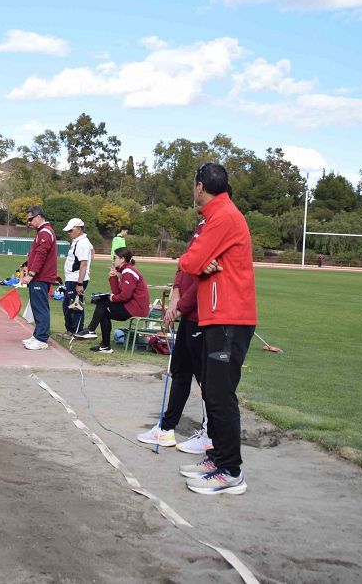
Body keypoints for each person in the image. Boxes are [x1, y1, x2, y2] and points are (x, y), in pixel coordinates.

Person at [176, 163, 256, 496]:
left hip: (229, 319)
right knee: (212, 391)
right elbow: (197, 261)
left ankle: (230, 471)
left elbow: (190, 262)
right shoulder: (219, 215)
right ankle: (218, 457)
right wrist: (199, 261)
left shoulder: (222, 215)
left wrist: (196, 261)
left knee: (221, 396)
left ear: (199, 186)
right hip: (217, 317)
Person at [137, 224, 211, 453]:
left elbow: (203, 279)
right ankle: (166, 428)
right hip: (188, 314)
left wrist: (181, 307)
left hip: (202, 316)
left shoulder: (218, 226)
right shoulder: (200, 227)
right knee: (180, 371)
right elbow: (184, 266)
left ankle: (210, 433)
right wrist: (174, 298)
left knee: (206, 379)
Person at [74, 248, 149, 353]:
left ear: (122, 259)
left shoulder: (128, 272)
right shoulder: (125, 271)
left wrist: (112, 298)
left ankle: (91, 330)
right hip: (131, 306)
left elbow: (125, 296)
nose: (113, 261)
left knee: (103, 303)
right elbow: (118, 293)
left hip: (136, 308)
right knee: (103, 311)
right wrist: (113, 277)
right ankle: (105, 345)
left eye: (115, 258)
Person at [23, 206, 59, 350]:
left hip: (41, 277)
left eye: (30, 219)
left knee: (40, 308)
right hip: (40, 276)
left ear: (38, 217)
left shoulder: (45, 232)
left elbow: (41, 255)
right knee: (37, 306)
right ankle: (38, 334)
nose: (29, 223)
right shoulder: (43, 232)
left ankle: (42, 339)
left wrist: (31, 274)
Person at [61, 218, 93, 338]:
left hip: (76, 280)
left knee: (75, 305)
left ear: (79, 229)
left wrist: (79, 283)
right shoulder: (78, 241)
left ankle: (77, 332)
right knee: (68, 305)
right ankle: (70, 330)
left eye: (70, 230)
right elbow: (91, 252)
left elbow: (83, 264)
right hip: (72, 278)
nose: (68, 233)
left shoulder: (82, 243)